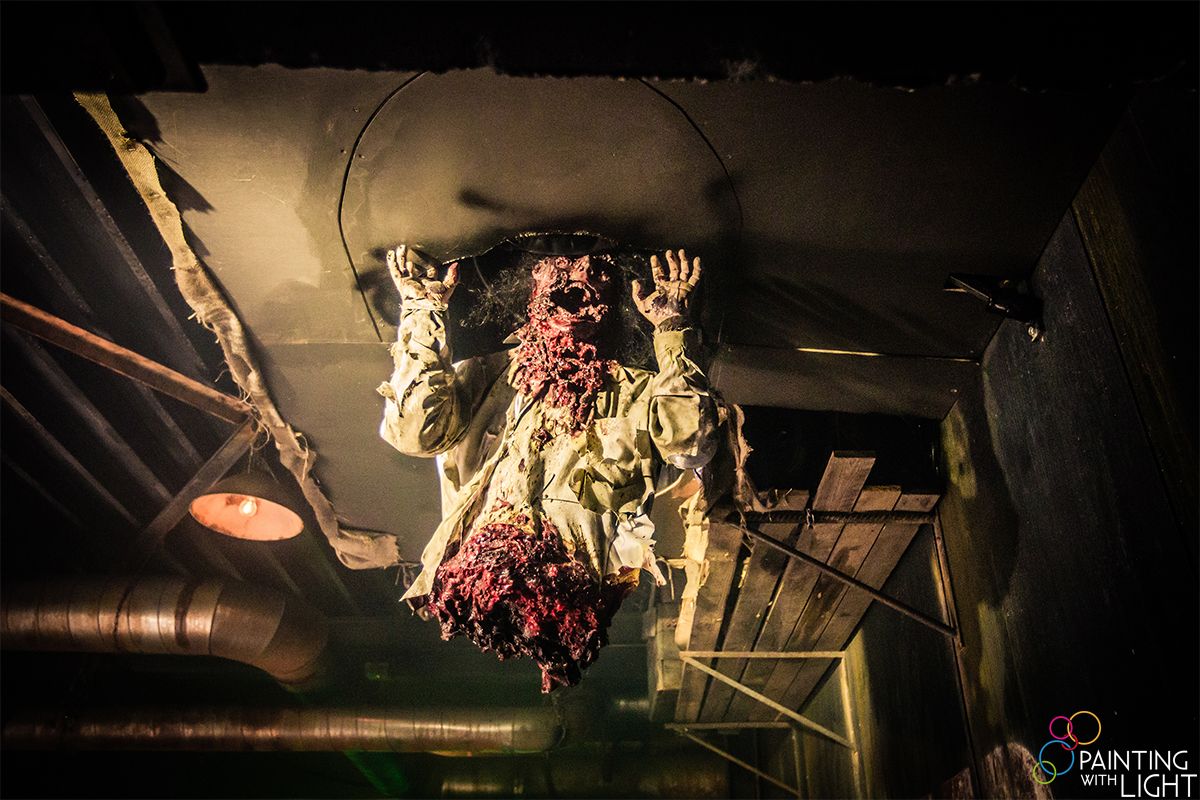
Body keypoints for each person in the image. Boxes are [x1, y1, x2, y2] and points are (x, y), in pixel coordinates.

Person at [377, 242, 718, 691]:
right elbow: (690, 445)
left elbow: (689, 445)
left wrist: (423, 309)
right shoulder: (490, 375)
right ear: (533, 295)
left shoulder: (633, 391)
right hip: (565, 572)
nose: (577, 275)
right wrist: (674, 331)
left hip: (518, 565)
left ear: (610, 308)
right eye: (556, 271)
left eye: (596, 274)